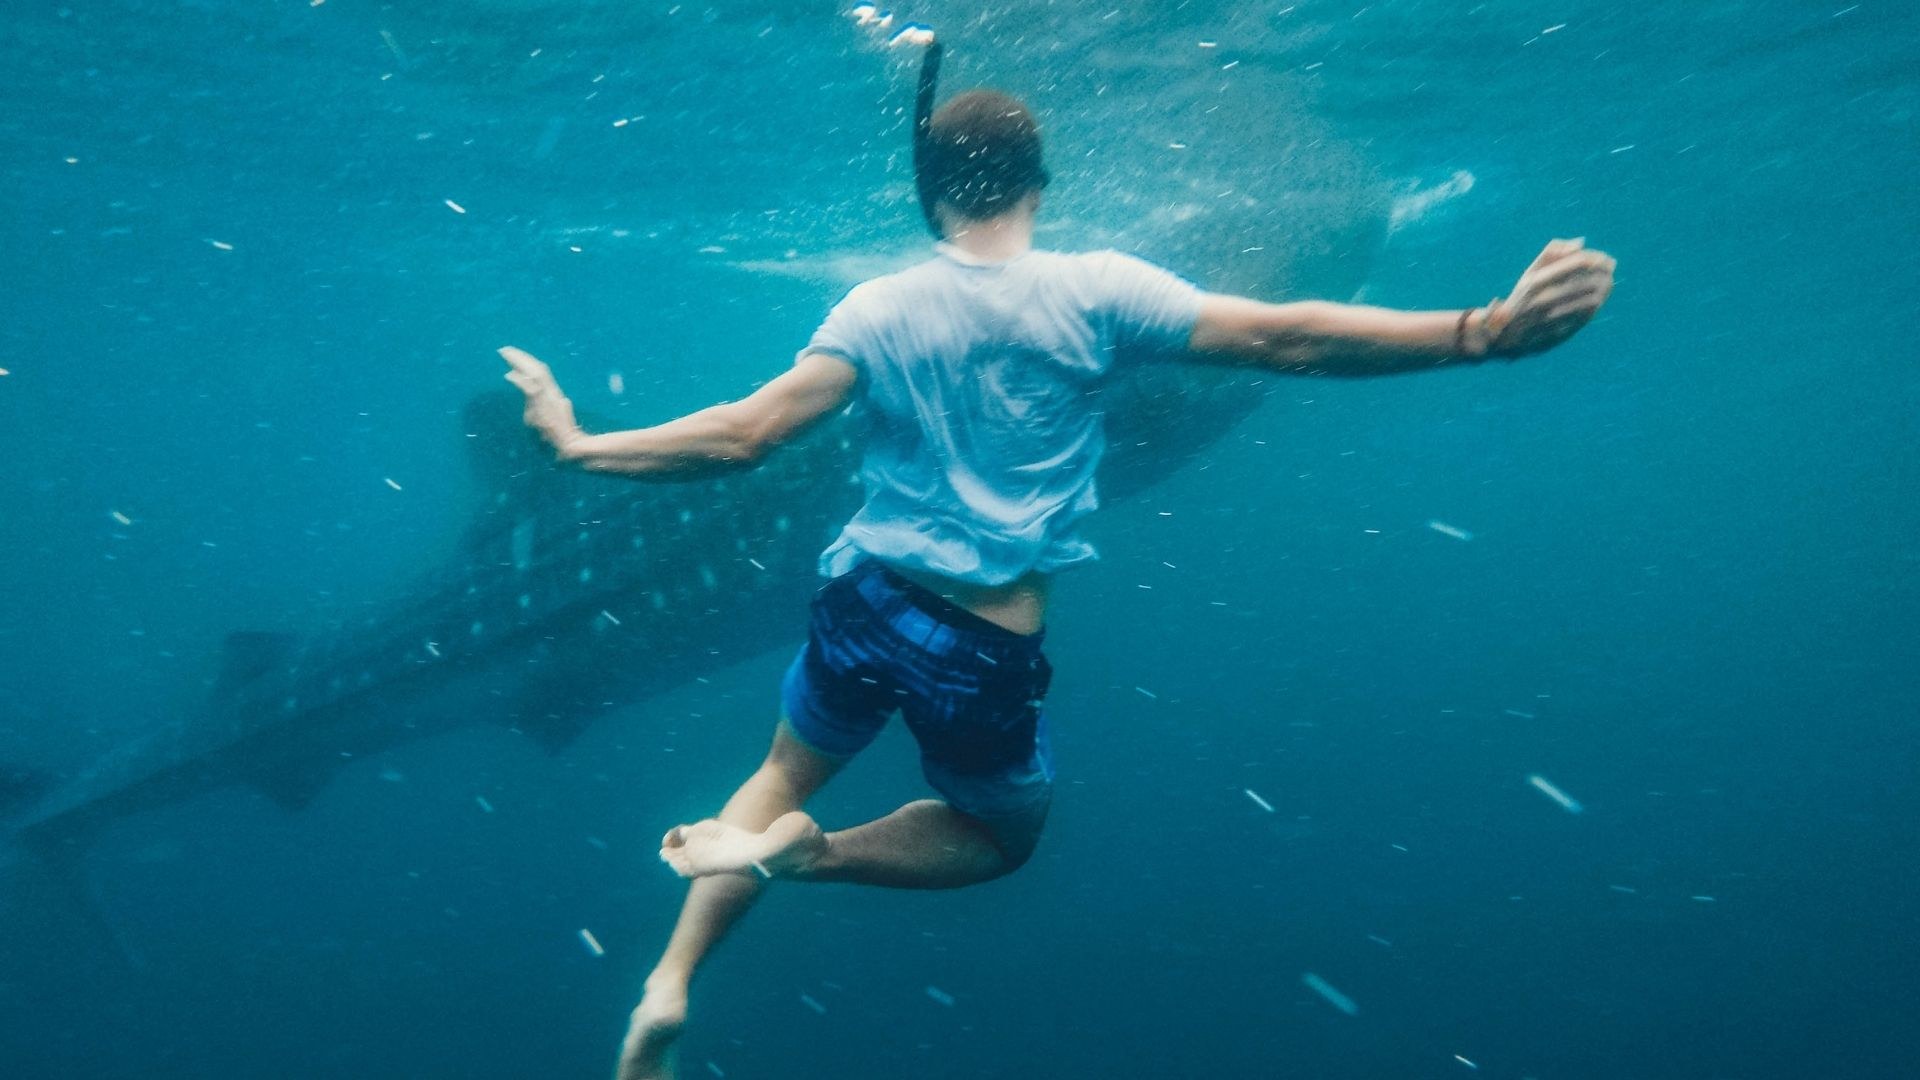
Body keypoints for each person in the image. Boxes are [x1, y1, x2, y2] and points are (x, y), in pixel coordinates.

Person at [502, 85, 1614, 1080]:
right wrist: (1481, 333)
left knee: (778, 773)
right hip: (981, 641)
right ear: (1040, 187)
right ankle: (817, 860)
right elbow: (1293, 338)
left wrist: (578, 444)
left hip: (863, 600)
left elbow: (743, 435)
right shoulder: (1098, 291)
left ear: (929, 195)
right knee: (998, 837)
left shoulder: (875, 309)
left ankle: (671, 978)